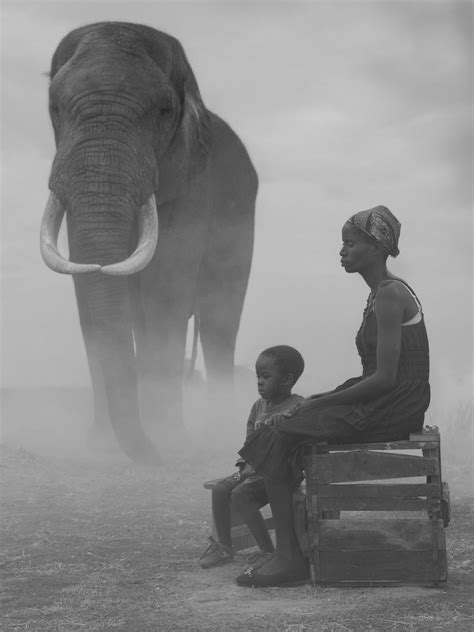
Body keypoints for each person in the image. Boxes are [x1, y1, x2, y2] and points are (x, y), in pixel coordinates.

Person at [236, 205, 430, 587]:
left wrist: (317, 403)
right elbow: (372, 376)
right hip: (388, 399)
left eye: (350, 242)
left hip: (397, 405)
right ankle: (290, 549)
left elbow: (386, 379)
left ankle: (288, 558)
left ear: (377, 247)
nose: (342, 250)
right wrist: (326, 396)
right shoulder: (378, 295)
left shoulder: (391, 295)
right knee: (283, 428)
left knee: (279, 432)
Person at [198, 345, 305, 569]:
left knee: (240, 495)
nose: (259, 382)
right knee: (220, 490)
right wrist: (244, 466)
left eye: (266, 377)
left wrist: (285, 422)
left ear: (286, 380)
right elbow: (249, 442)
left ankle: (267, 551)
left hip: (280, 474)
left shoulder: (296, 406)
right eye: (258, 376)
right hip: (253, 468)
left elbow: (296, 444)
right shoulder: (258, 406)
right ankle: (225, 547)